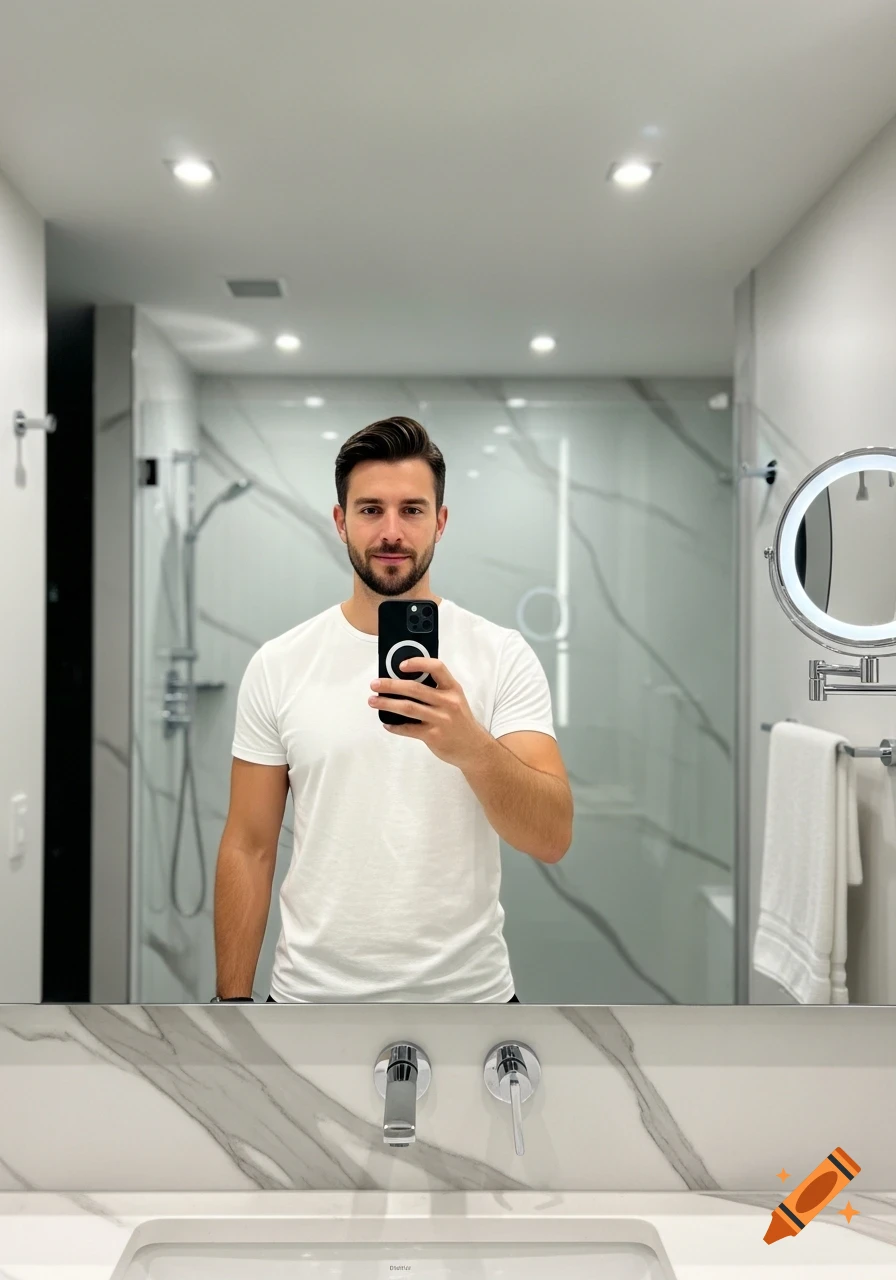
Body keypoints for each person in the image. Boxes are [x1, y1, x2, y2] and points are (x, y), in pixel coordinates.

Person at [212, 416, 573, 1003]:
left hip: (468, 999)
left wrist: (470, 746)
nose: (391, 531)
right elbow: (248, 846)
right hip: (309, 998)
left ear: (441, 520)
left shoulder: (501, 655)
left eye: (411, 509)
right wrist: (231, 1006)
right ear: (340, 521)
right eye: (370, 509)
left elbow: (551, 836)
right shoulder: (280, 663)